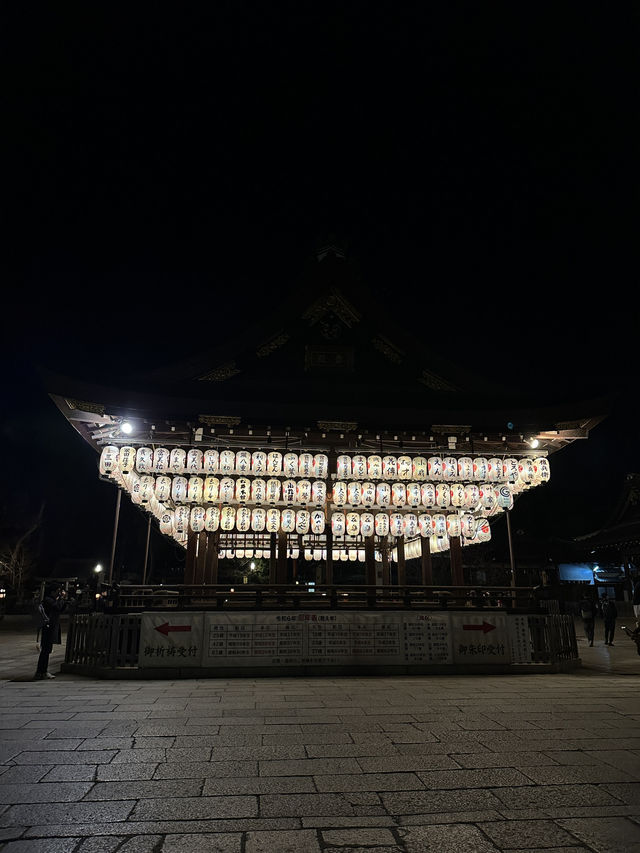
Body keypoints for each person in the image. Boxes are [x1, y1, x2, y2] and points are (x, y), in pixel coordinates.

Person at [34, 583, 67, 680]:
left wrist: (64, 601)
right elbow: (57, 607)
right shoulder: (48, 600)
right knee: (45, 650)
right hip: (48, 627)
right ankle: (41, 671)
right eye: (57, 591)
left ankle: (42, 671)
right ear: (52, 592)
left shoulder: (52, 600)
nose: (59, 593)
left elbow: (60, 609)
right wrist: (62, 599)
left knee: (47, 650)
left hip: (51, 626)